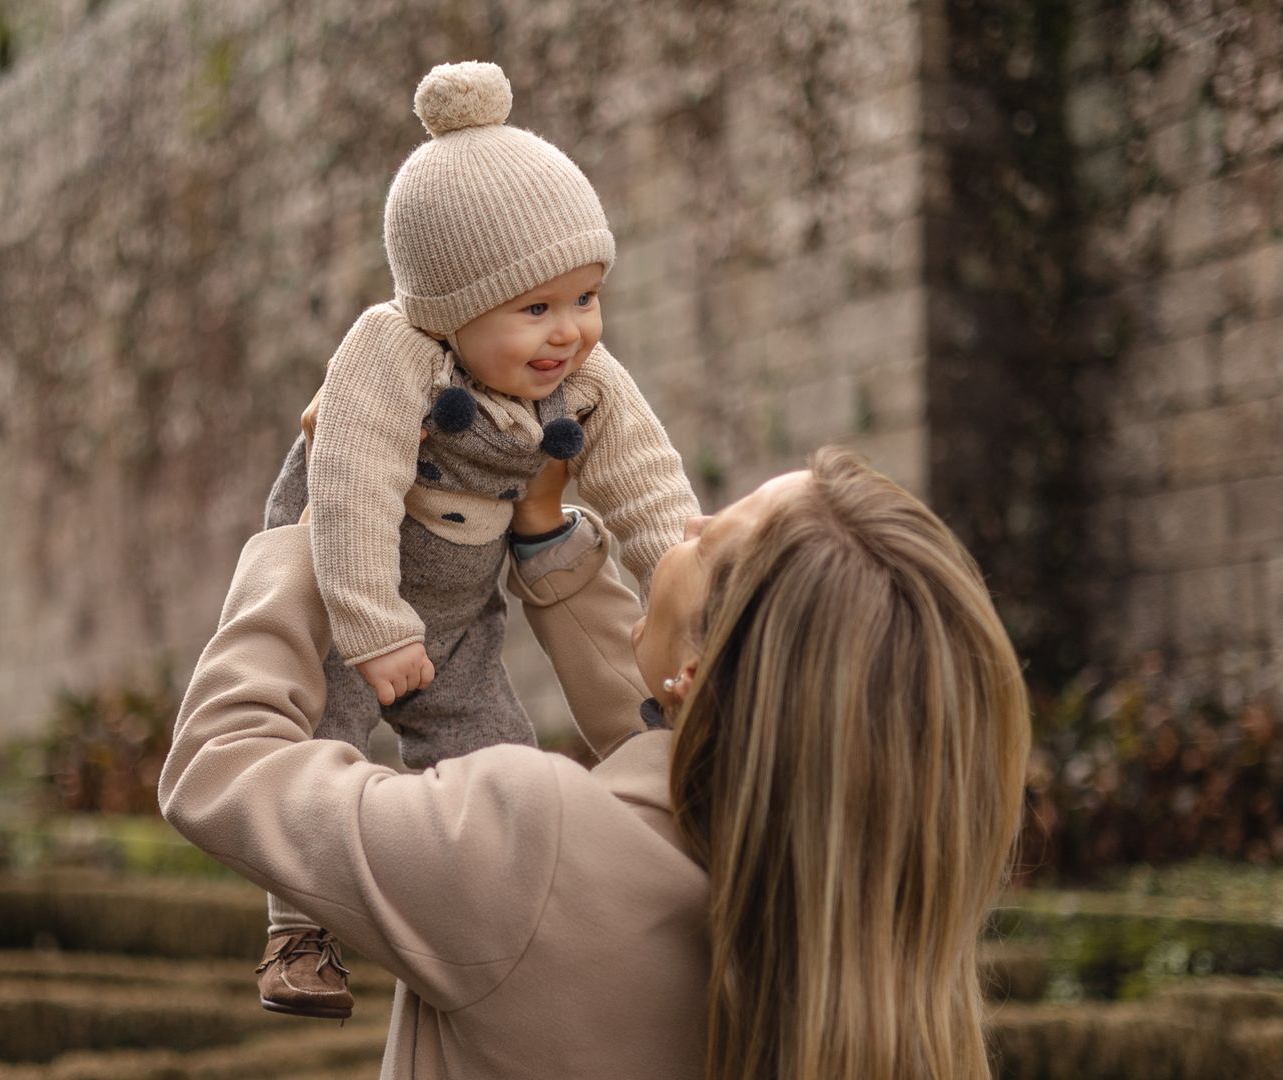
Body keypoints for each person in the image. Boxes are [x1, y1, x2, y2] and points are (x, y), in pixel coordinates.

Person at [161, 445, 1033, 1080]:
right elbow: (681, 747)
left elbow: (221, 764)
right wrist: (550, 549)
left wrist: (320, 533)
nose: (686, 524)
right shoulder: (854, 921)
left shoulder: (524, 844)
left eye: (712, 538)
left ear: (696, 672)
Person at [255, 58, 696, 1014]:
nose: (570, 332)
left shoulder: (586, 380)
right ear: (452, 310)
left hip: (458, 615)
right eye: (535, 308)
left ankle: (494, 925)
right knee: (321, 743)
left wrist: (713, 595)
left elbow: (650, 493)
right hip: (346, 589)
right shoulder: (391, 351)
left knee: (501, 761)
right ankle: (299, 933)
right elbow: (353, 484)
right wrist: (370, 626)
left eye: (586, 297)